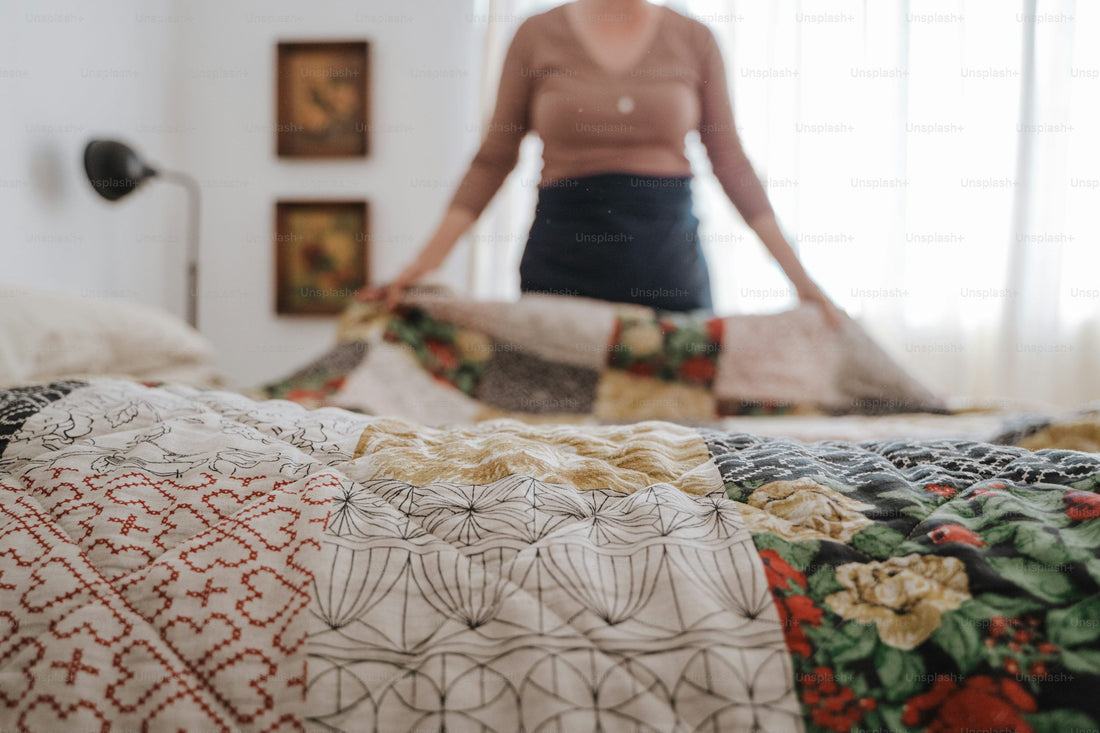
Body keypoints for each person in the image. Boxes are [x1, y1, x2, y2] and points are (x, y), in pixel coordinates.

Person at [359, 0, 843, 326]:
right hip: (562, 267)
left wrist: (805, 286)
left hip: (667, 266)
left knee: (680, 445)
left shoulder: (695, 39)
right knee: (556, 448)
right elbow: (492, 160)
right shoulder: (535, 35)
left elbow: (732, 164)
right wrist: (419, 269)